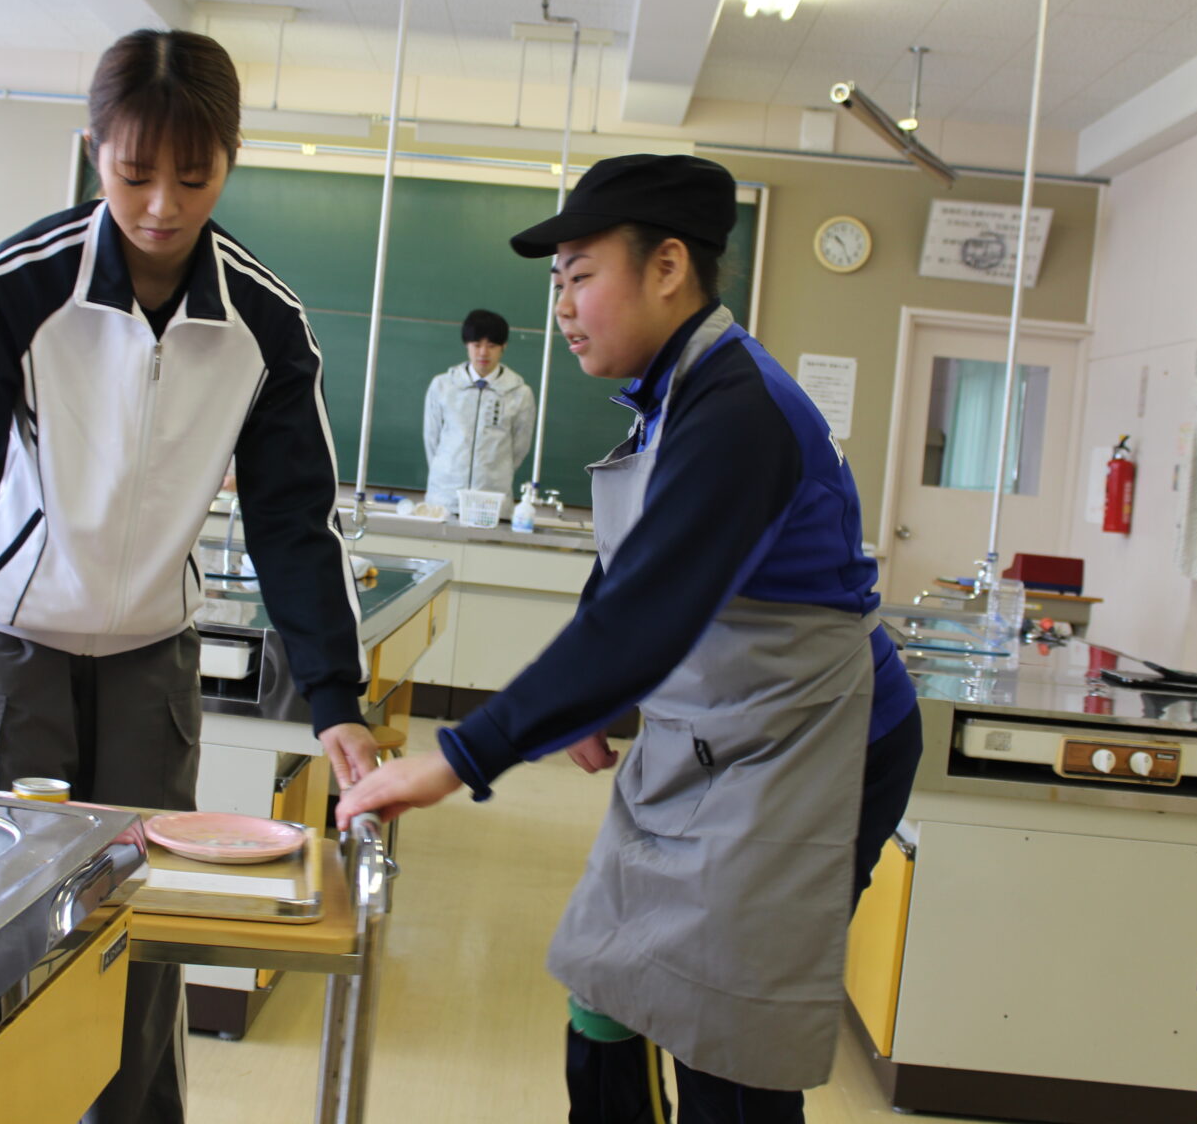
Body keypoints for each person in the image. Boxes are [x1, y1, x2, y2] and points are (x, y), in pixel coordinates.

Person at [0, 29, 377, 1124]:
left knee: (135, 935)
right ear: (92, 150)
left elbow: (295, 520)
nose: (161, 204)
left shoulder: (261, 321)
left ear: (231, 160)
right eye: (133, 171)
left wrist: (336, 701)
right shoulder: (21, 289)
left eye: (193, 176)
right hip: (7, 647)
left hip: (151, 655)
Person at [338, 154, 924, 1124]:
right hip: (716, 730)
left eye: (581, 274)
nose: (562, 306)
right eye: (556, 281)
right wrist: (599, 699)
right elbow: (634, 568)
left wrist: (461, 753)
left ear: (667, 268)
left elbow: (650, 608)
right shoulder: (676, 390)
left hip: (812, 747)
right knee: (605, 985)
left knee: (726, 1037)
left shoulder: (743, 411)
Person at [422, 308, 536, 511]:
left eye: (491, 345)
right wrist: (448, 472)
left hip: (492, 499)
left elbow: (520, 447)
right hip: (444, 497)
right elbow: (432, 439)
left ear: (504, 347)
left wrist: (492, 474)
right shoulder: (442, 386)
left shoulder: (520, 393)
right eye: (477, 345)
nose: (483, 352)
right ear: (467, 345)